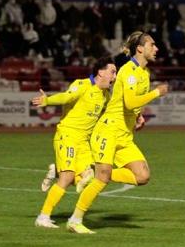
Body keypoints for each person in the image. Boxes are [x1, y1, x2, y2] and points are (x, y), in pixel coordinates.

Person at [66, 31, 169, 233]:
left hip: (124, 135)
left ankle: (92, 171)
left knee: (142, 176)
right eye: (152, 45)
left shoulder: (144, 74)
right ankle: (75, 220)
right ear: (140, 48)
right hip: (108, 130)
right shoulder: (128, 71)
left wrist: (138, 116)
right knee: (102, 179)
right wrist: (157, 93)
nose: (156, 49)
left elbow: (132, 105)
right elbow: (130, 101)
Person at [34, 57, 117, 229]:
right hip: (68, 136)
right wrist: (47, 100)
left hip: (84, 142)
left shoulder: (106, 95)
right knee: (67, 178)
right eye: (112, 72)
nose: (114, 76)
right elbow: (66, 97)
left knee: (91, 175)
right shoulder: (82, 85)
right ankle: (43, 217)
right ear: (101, 72)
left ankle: (56, 169)